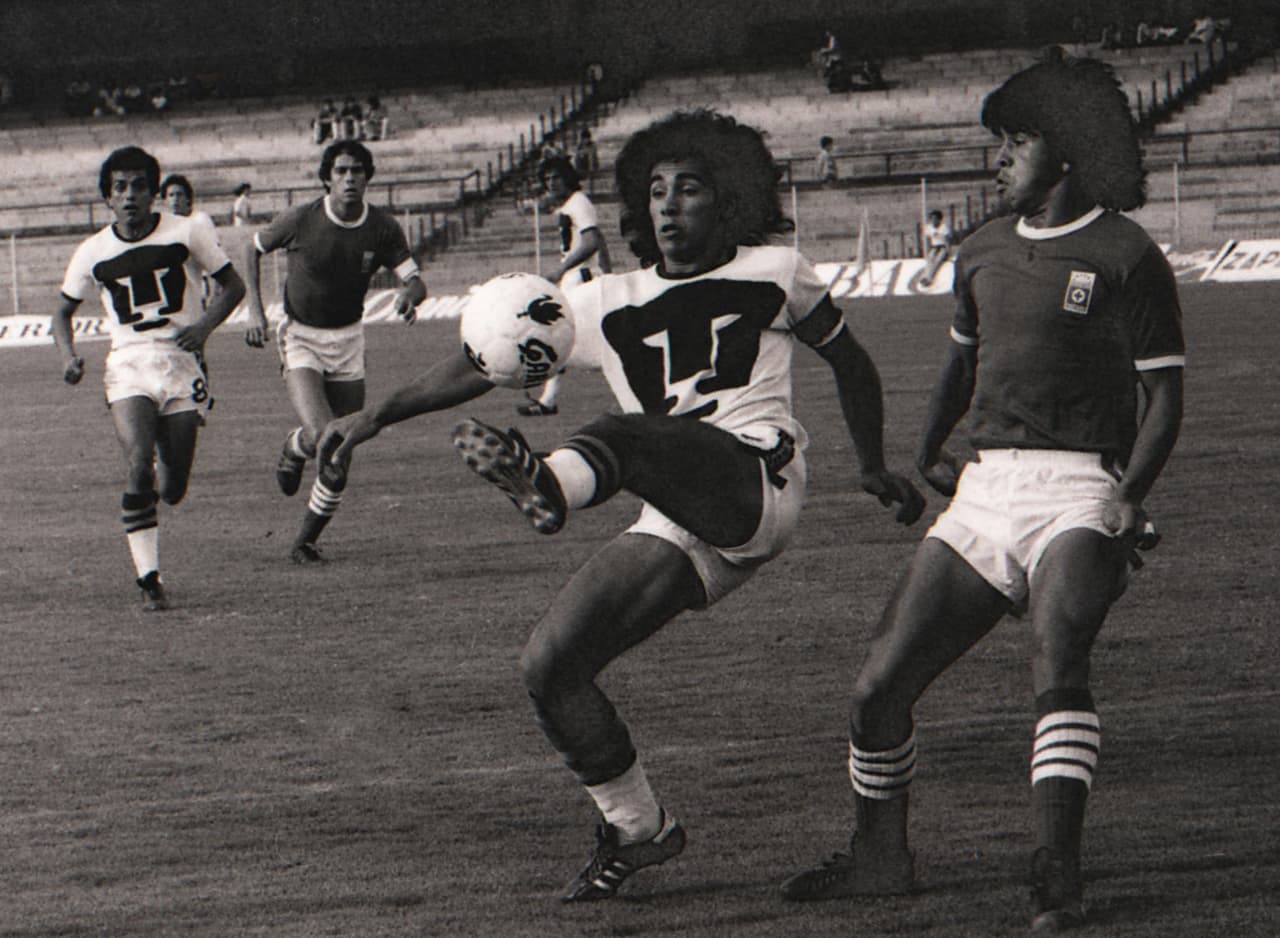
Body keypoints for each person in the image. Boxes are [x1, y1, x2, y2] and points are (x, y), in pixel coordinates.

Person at [317, 108, 924, 903]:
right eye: (657, 191)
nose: (670, 205)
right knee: (550, 666)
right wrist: (373, 415)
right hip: (672, 513)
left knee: (627, 433)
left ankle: (551, 485)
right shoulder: (602, 299)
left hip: (753, 480)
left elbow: (851, 362)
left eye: (693, 188)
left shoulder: (777, 269)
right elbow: (478, 365)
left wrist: (874, 463)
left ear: (731, 200)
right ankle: (639, 827)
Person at [780, 53, 1184, 933]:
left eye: (1018, 141)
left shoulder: (1125, 253)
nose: (997, 159)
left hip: (1082, 488)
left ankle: (1058, 876)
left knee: (1058, 658)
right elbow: (963, 364)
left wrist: (1129, 497)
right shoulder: (982, 250)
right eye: (996, 141)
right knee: (877, 687)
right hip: (985, 490)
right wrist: (925, 452)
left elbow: (1165, 397)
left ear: (1070, 151)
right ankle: (880, 861)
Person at [50, 146, 247, 610]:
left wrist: (202, 328)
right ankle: (148, 578)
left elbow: (233, 285)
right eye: (120, 187)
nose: (130, 195)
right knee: (137, 462)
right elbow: (61, 312)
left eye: (139, 185)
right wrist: (68, 356)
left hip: (181, 362)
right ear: (107, 199)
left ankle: (161, 472)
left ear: (154, 192)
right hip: (128, 363)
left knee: (173, 489)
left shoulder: (187, 232)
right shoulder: (93, 251)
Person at [242, 139, 426, 564]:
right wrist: (255, 312)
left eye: (357, 171)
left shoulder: (382, 227)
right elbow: (250, 248)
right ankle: (299, 448)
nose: (349, 179)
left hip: (349, 340)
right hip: (301, 336)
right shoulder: (302, 218)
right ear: (327, 178)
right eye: (341, 171)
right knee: (331, 435)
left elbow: (414, 278)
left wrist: (409, 294)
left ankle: (305, 531)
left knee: (341, 444)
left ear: (367, 178)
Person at [517, 154, 613, 417]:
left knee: (568, 336)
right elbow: (596, 237)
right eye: (547, 179)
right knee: (565, 336)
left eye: (556, 177)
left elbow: (591, 241)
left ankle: (548, 399)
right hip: (577, 276)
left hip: (581, 277)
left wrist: (563, 268)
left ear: (568, 177)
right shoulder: (571, 205)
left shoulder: (578, 202)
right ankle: (548, 400)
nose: (551, 183)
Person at [919, 209, 954, 287]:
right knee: (929, 261)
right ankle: (925, 277)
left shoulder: (944, 227)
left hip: (943, 247)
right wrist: (927, 251)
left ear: (939, 220)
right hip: (934, 247)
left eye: (935, 219)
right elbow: (927, 240)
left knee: (937, 261)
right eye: (932, 219)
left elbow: (948, 240)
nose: (933, 221)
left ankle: (929, 279)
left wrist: (949, 252)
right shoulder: (929, 227)